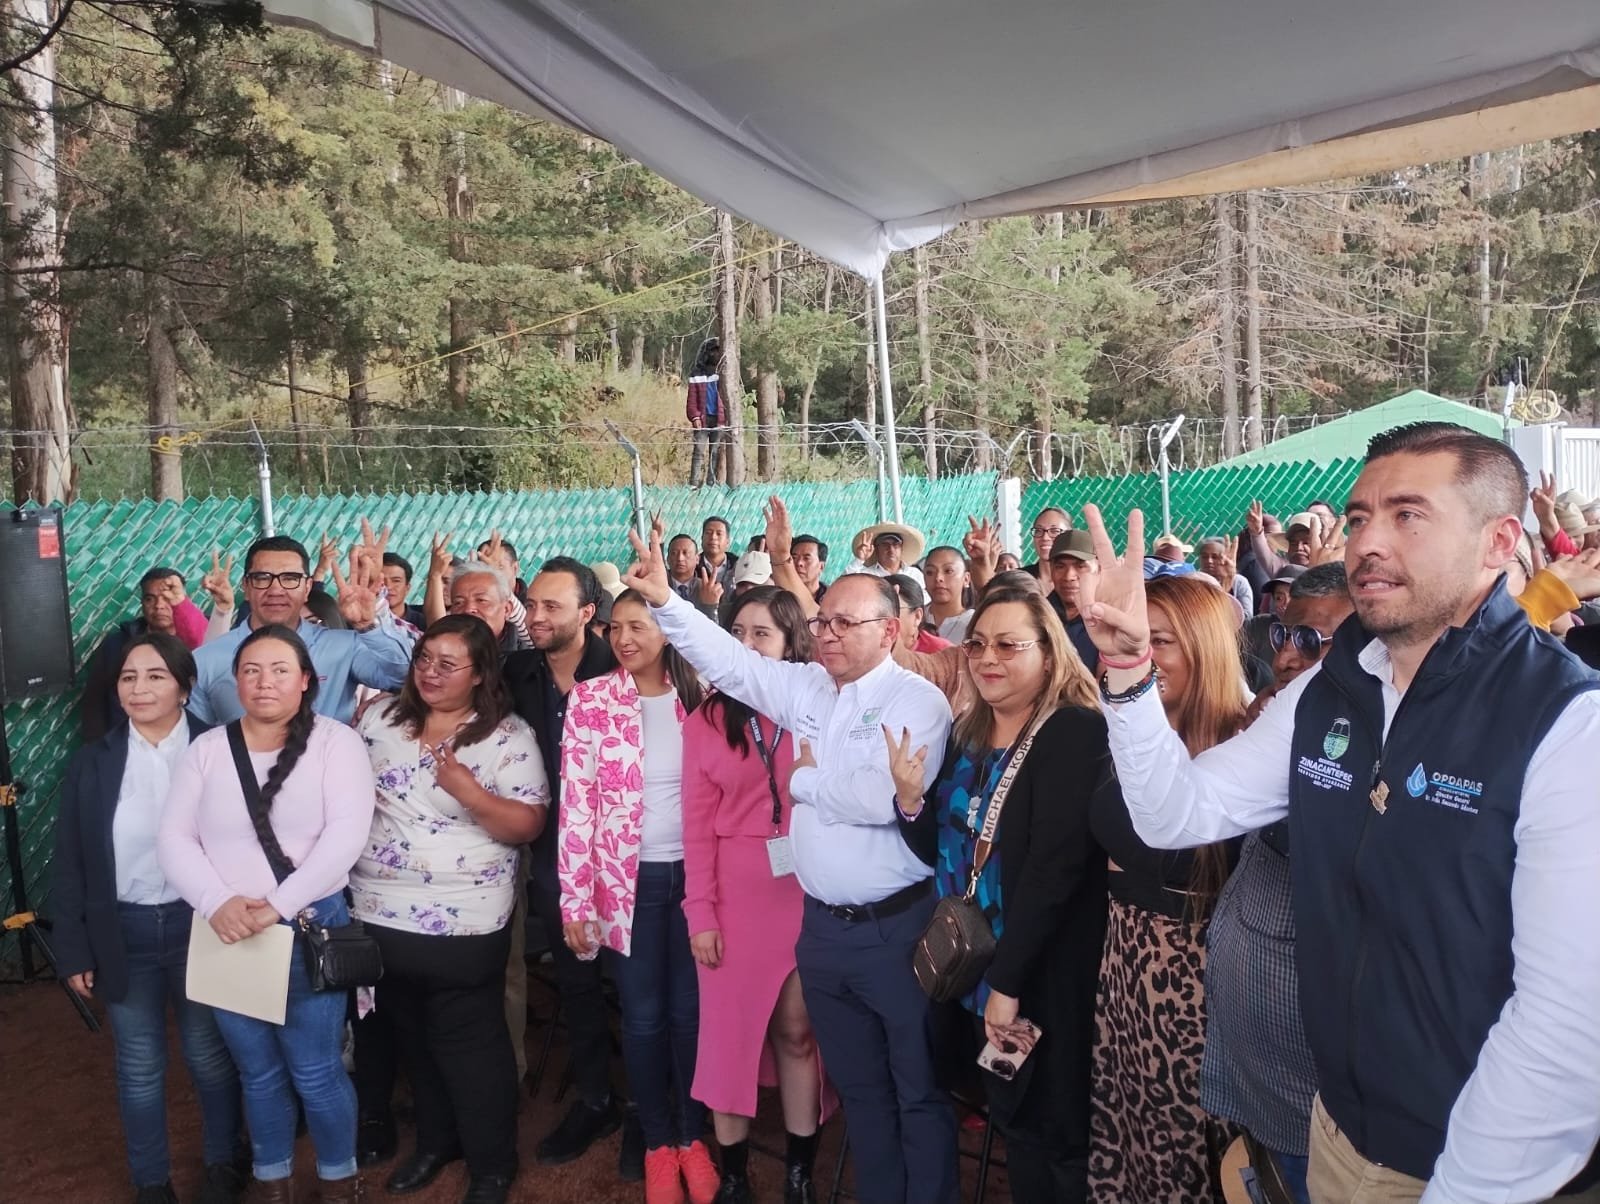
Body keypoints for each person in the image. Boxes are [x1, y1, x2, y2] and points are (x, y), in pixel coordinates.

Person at [1080, 421, 1600, 1202]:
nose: (1367, 543)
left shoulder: (1566, 723)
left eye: (1408, 515)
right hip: (1336, 1132)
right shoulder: (1329, 690)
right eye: (1359, 518)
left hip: (1473, 1166)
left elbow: (1565, 1024)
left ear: (1499, 542)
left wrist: (1463, 1189)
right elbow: (1175, 814)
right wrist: (1127, 669)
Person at [623, 531, 958, 1204]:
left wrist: (805, 784)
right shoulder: (807, 688)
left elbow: (881, 801)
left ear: (890, 631)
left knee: (917, 1090)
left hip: (893, 929)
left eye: (845, 624)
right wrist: (667, 603)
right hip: (822, 932)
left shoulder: (916, 703)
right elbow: (731, 663)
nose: (828, 634)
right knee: (862, 1090)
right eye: (823, 622)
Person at [898, 582, 1111, 1202]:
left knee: (1056, 1135)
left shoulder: (1073, 731)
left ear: (1049, 653)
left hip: (1036, 974)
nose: (988, 658)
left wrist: (1008, 986)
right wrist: (909, 803)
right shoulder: (968, 732)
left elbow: (1053, 872)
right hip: (974, 970)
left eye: (1009, 645)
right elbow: (941, 853)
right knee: (1015, 1125)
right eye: (978, 645)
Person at [157, 625, 376, 1204]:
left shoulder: (336, 743)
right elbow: (174, 839)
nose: (264, 682)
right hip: (228, 932)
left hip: (307, 927)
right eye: (251, 670)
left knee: (316, 1069)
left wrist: (278, 905)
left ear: (306, 681)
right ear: (235, 681)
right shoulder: (207, 750)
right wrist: (216, 902)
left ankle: (339, 1180)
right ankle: (273, 1179)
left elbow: (345, 837)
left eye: (280, 670)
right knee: (256, 1071)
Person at [351, 615, 549, 1204]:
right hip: (378, 912)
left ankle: (491, 1164)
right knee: (414, 1039)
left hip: (464, 920)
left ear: (481, 673)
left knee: (470, 1046)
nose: (430, 673)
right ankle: (436, 1144)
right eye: (424, 659)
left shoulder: (506, 736)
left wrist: (470, 793)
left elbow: (527, 824)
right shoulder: (379, 719)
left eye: (448, 663)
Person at [53, 633, 244, 1204]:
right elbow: (71, 861)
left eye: (155, 676)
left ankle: (223, 1163)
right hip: (125, 931)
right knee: (138, 1065)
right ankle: (151, 1182)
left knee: (209, 1055)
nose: (138, 688)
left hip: (203, 927)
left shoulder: (220, 750)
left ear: (185, 688)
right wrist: (73, 948)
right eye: (128, 677)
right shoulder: (92, 762)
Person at [559, 590, 720, 1204]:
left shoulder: (703, 695)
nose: (624, 638)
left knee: (692, 1014)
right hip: (627, 884)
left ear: (669, 630)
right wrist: (576, 899)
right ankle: (657, 1142)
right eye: (616, 627)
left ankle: (693, 1136)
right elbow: (577, 805)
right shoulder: (592, 700)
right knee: (645, 1016)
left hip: (699, 880)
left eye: (638, 626)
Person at [1088, 573, 1243, 1203]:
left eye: (1160, 642)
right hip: (1124, 965)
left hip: (1199, 987)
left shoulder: (1245, 747)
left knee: (1191, 1151)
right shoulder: (1117, 733)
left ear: (1205, 647)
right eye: (1131, 641)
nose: (1140, 655)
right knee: (1132, 1139)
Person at [1199, 563, 1351, 1204]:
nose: (1286, 656)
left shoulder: (1383, 737)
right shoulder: (1268, 717)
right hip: (1255, 1052)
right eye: (1285, 635)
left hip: (1321, 1084)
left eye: (1311, 641)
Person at [681, 586, 827, 1204]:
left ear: (792, 643)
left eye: (761, 634)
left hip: (807, 888)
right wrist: (700, 913)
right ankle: (735, 1177)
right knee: (729, 1040)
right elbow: (694, 827)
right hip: (734, 898)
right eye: (735, 633)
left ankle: (799, 1173)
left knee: (798, 1032)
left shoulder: (816, 706)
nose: (745, 645)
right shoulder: (705, 720)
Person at [502, 559, 632, 1171]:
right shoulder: (516, 673)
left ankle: (651, 1106)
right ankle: (596, 1098)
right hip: (553, 857)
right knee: (577, 983)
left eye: (551, 607)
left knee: (637, 984)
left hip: (627, 856)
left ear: (587, 613)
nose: (535, 617)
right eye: (531, 604)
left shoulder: (623, 670)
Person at [189, 535, 413, 725]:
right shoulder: (206, 660)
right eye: (262, 578)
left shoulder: (344, 646)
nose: (276, 590)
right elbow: (196, 738)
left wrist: (369, 623)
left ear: (307, 588)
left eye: (290, 579)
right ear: (246, 587)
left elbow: (404, 677)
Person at [83, 560, 235, 742]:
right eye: (150, 599)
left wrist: (222, 610)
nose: (159, 605)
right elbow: (95, 702)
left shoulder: (207, 633)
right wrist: (104, 746)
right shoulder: (118, 645)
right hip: (130, 742)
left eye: (168, 597)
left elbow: (211, 650)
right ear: (142, 603)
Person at [1046, 531, 1102, 671]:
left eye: (1080, 566)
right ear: (1051, 570)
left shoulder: (1108, 619)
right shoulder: (1038, 616)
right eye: (1060, 566)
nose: (1069, 576)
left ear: (1098, 568)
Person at [449, 562, 532, 654]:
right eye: (458, 603)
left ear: (507, 609)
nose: (468, 609)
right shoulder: (441, 649)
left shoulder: (526, 659)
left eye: (481, 600)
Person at [687, 337, 727, 487]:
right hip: (702, 419)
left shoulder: (723, 373)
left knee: (714, 453)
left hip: (719, 419)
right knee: (698, 452)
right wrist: (695, 417)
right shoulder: (696, 374)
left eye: (718, 351)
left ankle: (711, 484)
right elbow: (691, 400)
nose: (715, 354)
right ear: (706, 353)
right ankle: (694, 484)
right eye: (713, 351)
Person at [847, 522, 926, 589]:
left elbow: (926, 597)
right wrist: (859, 559)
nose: (891, 549)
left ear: (901, 548)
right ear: (876, 549)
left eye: (895, 544)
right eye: (885, 545)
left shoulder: (914, 574)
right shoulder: (867, 575)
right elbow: (846, 585)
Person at [886, 574, 950, 653]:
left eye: (892, 610)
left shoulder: (944, 652)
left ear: (917, 617)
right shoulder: (872, 648)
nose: (882, 620)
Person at [922, 545, 973, 641]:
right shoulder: (914, 617)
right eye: (930, 572)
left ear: (966, 579)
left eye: (948, 571)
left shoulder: (975, 622)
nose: (938, 578)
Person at [1196, 537, 1254, 614]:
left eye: (1215, 557)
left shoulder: (1238, 582)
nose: (1209, 561)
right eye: (1205, 557)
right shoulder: (1193, 582)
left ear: (1225, 559)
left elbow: (1247, 616)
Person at [380, 551, 427, 631]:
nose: (388, 586)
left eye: (396, 581)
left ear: (407, 588)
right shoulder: (361, 621)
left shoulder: (423, 624)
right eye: (382, 581)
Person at [1024, 507, 1072, 579]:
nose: (1045, 538)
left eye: (1054, 531)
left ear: (1069, 535)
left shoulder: (1080, 579)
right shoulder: (1017, 580)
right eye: (1039, 530)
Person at [790, 535, 828, 603]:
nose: (799, 563)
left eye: (806, 558)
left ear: (821, 566)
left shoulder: (831, 599)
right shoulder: (780, 595)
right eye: (794, 558)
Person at [668, 534, 701, 602]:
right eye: (674, 553)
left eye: (686, 553)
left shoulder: (705, 587)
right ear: (668, 559)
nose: (680, 558)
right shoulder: (659, 585)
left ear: (697, 559)